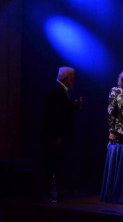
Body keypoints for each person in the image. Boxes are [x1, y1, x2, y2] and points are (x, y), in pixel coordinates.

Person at [41, 66, 82, 202]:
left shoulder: (61, 91)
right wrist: (56, 137)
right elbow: (53, 116)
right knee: (53, 165)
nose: (74, 81)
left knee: (58, 165)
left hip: (60, 137)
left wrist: (74, 106)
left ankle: (55, 192)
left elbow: (63, 112)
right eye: (72, 78)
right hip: (56, 138)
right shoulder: (56, 91)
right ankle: (51, 192)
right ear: (66, 78)